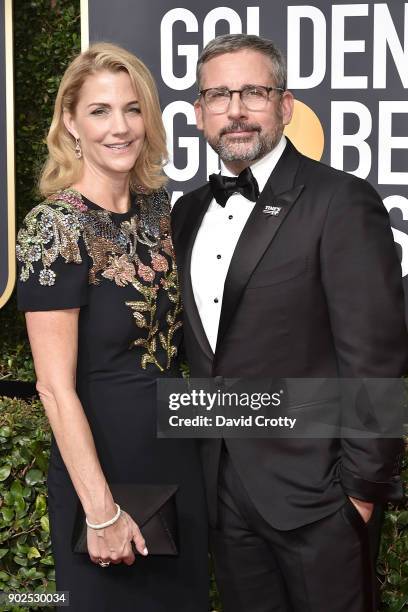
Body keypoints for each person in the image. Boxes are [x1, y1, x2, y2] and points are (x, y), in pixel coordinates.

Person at [171, 33, 408, 612]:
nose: (236, 110)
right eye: (219, 95)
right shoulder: (186, 213)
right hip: (224, 494)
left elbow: (376, 356)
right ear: (199, 113)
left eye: (254, 91)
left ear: (286, 104)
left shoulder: (341, 201)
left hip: (320, 499)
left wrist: (360, 491)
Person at [16, 42, 208, 611]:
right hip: (102, 473)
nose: (119, 126)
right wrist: (100, 511)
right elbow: (54, 387)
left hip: (179, 463)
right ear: (70, 122)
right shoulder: (52, 226)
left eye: (132, 108)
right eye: (99, 111)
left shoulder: (162, 210)